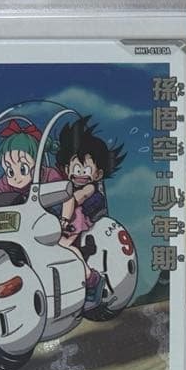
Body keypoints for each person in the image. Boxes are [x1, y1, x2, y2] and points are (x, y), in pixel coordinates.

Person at [56, 116, 127, 307]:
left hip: (79, 224)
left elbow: (75, 199)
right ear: (67, 169)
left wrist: (63, 218)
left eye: (86, 169)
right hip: (67, 223)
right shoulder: (64, 187)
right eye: (76, 168)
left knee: (66, 248)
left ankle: (92, 279)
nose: (80, 173)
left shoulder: (89, 188)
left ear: (98, 174)